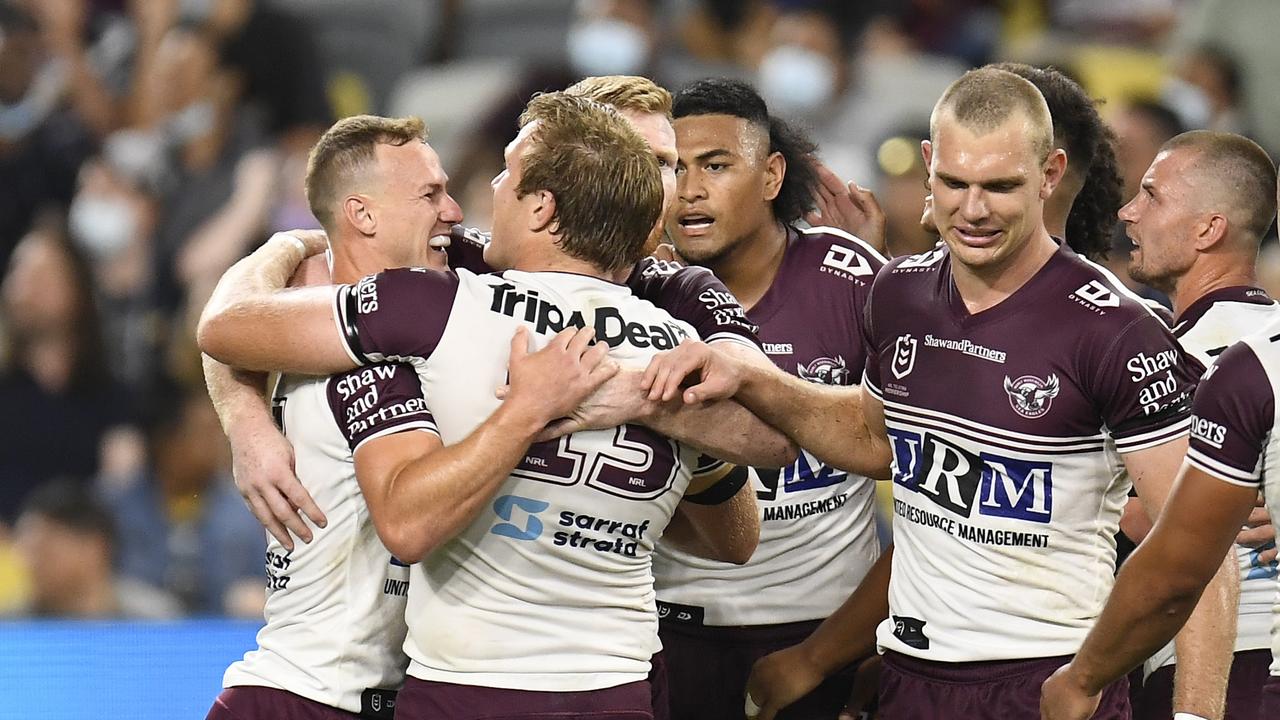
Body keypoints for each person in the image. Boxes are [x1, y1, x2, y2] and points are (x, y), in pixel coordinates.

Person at [643, 66, 1237, 719]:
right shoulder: (898, 294)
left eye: (1000, 186)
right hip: (910, 678)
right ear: (928, 165)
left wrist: (1171, 708)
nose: (974, 209)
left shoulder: (1117, 330)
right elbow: (873, 439)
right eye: (954, 183)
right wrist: (751, 375)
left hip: (1047, 680)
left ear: (1050, 172)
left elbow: (1200, 555)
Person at [198, 95, 784, 719]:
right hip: (612, 685)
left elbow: (227, 325)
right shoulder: (676, 336)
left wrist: (579, 404)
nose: (473, 200)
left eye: (505, 173)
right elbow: (778, 437)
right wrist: (247, 422)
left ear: (542, 205)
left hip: (464, 688)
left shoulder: (441, 304)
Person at [648, 77, 887, 720]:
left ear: (773, 174)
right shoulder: (632, 289)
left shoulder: (859, 283)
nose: (690, 191)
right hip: (666, 629)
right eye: (673, 168)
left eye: (717, 166)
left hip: (824, 634)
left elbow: (928, 500)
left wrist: (845, 650)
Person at [1046, 130, 1279, 720]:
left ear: (1208, 229)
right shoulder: (1267, 350)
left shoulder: (1162, 361)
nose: (1129, 211)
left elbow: (1156, 523)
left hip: (1222, 666)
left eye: (1152, 195)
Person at [13, 479, 180, 619]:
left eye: (45, 552)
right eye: (26, 552)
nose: (29, 563)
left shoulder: (155, 621)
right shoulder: (12, 627)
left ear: (95, 547)